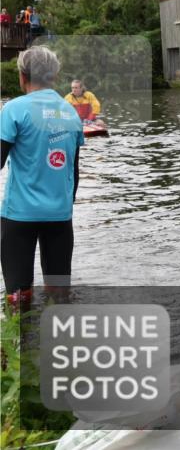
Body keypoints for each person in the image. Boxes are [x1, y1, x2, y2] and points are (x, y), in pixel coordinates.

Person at [1, 46, 83, 307]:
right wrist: (66, 205)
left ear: (22, 76)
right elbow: (73, 170)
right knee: (59, 294)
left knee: (18, 297)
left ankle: (20, 331)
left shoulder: (14, 109)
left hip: (19, 215)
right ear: (54, 76)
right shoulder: (70, 112)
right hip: (60, 215)